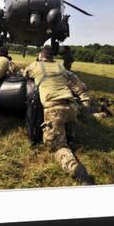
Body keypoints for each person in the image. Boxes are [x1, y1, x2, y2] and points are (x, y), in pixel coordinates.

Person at [23, 45, 92, 185]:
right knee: (66, 130)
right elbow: (79, 85)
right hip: (72, 107)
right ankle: (70, 135)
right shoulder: (61, 67)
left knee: (55, 146)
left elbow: (25, 74)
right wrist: (85, 103)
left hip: (54, 109)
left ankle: (74, 168)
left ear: (40, 55)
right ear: (52, 57)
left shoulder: (35, 65)